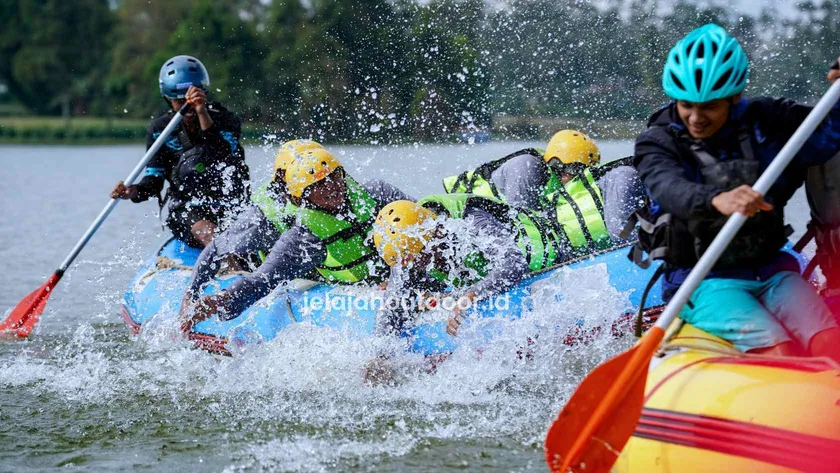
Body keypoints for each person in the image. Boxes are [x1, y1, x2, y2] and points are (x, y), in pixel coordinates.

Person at [632, 23, 840, 362]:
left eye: (710, 106)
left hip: (772, 270)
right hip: (702, 279)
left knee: (829, 343)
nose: (696, 118)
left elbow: (827, 136)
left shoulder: (768, 121)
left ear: (734, 98)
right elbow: (668, 188)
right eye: (687, 105)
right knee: (782, 350)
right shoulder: (657, 142)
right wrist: (715, 200)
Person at [180, 148, 413, 331]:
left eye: (333, 176)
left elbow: (427, 222)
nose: (331, 187)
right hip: (361, 289)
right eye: (318, 185)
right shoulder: (301, 239)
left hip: (408, 274)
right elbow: (261, 281)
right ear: (300, 199)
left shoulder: (379, 194)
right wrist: (222, 299)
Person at [372, 194, 568, 337]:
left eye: (421, 259)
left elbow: (514, 263)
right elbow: (393, 304)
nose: (418, 266)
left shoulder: (468, 221)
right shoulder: (407, 245)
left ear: (436, 234)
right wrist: (380, 357)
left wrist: (471, 296)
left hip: (549, 252)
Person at [111, 55, 249, 248]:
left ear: (203, 94)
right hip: (187, 210)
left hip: (231, 206)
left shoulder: (226, 120)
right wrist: (133, 191)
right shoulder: (160, 130)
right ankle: (233, 272)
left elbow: (222, 156)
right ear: (168, 99)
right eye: (180, 102)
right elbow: (154, 179)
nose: (188, 108)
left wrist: (202, 112)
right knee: (209, 232)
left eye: (192, 101)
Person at [179, 140, 321, 316]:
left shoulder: (338, 198)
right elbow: (215, 250)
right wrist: (190, 296)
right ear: (282, 178)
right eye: (300, 172)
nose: (311, 179)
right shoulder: (261, 220)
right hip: (265, 269)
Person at [443, 130, 645, 253]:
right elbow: (523, 227)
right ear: (554, 163)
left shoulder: (556, 186)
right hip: (465, 221)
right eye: (571, 170)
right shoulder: (526, 168)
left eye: (582, 172)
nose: (575, 178)